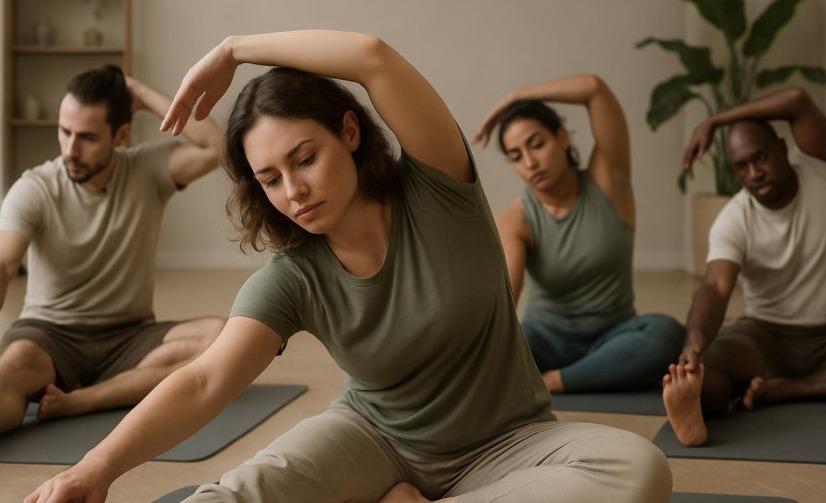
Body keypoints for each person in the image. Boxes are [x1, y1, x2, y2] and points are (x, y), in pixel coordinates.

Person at [26, 31, 672, 503]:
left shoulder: (440, 188)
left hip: (512, 442)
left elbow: (373, 57)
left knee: (639, 469)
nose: (294, 191)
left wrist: (235, 49)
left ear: (351, 133)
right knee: (232, 494)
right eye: (270, 179)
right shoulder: (292, 278)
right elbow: (203, 381)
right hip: (373, 439)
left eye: (305, 158)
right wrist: (94, 468)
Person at [663, 87, 826, 447]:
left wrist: (714, 121)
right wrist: (694, 347)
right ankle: (703, 397)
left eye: (761, 157)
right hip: (766, 338)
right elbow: (716, 287)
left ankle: (790, 390)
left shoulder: (825, 169)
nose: (754, 172)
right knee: (706, 378)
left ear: (784, 148)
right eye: (742, 167)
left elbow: (797, 99)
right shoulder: (734, 218)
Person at [0, 65, 226, 434]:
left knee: (222, 337)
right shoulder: (35, 189)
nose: (71, 150)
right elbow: (5, 263)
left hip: (130, 338)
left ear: (121, 135)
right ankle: (113, 391)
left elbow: (218, 148)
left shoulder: (147, 170)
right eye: (65, 132)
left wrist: (140, 92)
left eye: (87, 137)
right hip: (50, 336)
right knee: (15, 363)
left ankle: (83, 400)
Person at [472, 75, 685, 394]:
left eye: (537, 144)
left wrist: (517, 95)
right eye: (516, 156)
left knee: (667, 335)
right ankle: (592, 374)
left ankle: (555, 382)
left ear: (562, 138)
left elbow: (594, 89)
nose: (530, 162)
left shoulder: (609, 182)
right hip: (544, 341)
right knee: (500, 351)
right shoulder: (516, 219)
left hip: (614, 335)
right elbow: (504, 301)